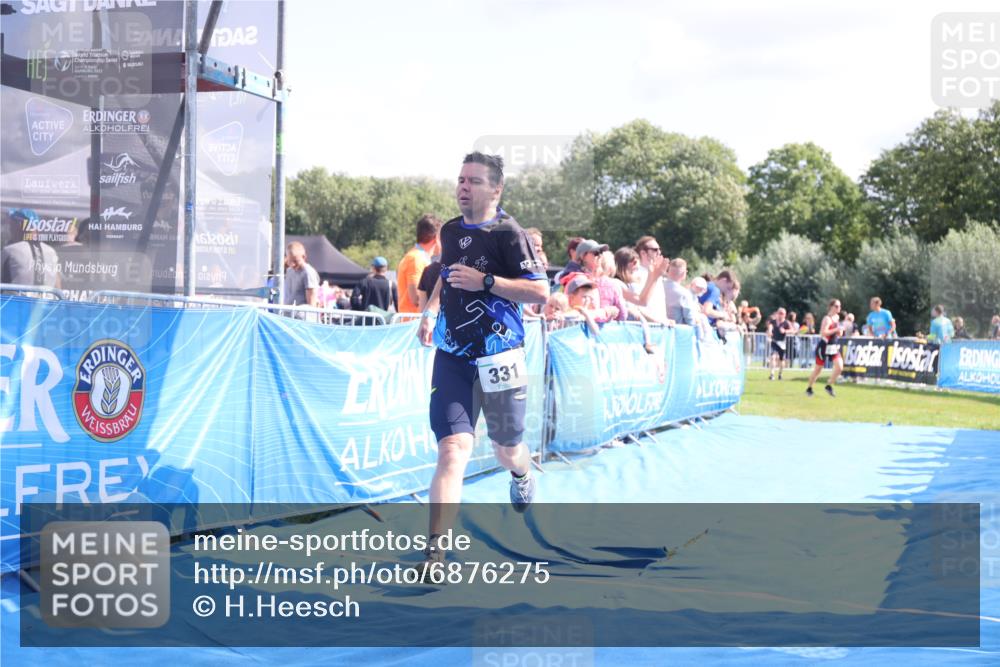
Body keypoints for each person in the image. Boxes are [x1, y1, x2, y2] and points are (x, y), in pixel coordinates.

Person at [416, 152, 548, 569]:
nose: (463, 187)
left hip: (500, 356)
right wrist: (430, 310)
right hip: (453, 355)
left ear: (496, 189)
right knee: (452, 449)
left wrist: (486, 282)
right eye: (460, 179)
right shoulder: (451, 230)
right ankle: (435, 551)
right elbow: (446, 273)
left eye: (473, 181)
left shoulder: (510, 234)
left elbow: (540, 292)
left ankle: (522, 474)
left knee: (506, 450)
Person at [1, 208, 60, 287]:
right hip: (47, 295)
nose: (10, 229)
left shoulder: (9, 251)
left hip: (16, 295)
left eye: (11, 224)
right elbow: (58, 286)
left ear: (19, 225)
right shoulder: (51, 251)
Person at [397, 214, 442, 313]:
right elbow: (416, 298)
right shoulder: (416, 259)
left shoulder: (416, 256)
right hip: (413, 320)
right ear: (436, 238)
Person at [806, 299, 845, 397]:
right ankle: (809, 388)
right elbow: (823, 333)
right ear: (831, 307)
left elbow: (836, 332)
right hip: (823, 346)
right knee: (818, 370)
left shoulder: (837, 317)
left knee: (840, 367)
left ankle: (829, 385)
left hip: (833, 346)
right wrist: (836, 330)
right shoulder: (827, 319)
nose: (839, 308)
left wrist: (839, 332)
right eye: (836, 306)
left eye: (839, 306)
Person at [283, 241, 319, 309]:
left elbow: (311, 305)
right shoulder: (289, 271)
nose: (292, 264)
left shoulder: (308, 273)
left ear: (304, 257)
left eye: (295, 261)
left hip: (302, 315)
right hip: (288, 313)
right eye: (290, 261)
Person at [663, 258, 700, 327]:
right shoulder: (684, 293)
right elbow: (690, 320)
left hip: (658, 328)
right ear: (684, 273)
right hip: (678, 330)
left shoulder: (659, 287)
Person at [766, 308, 795, 380]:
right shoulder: (773, 321)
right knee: (773, 357)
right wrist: (769, 331)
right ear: (777, 313)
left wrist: (785, 331)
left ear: (785, 315)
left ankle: (780, 374)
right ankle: (772, 374)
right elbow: (770, 327)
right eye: (779, 313)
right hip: (774, 342)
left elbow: (793, 330)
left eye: (782, 313)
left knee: (781, 360)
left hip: (782, 343)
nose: (780, 315)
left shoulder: (786, 323)